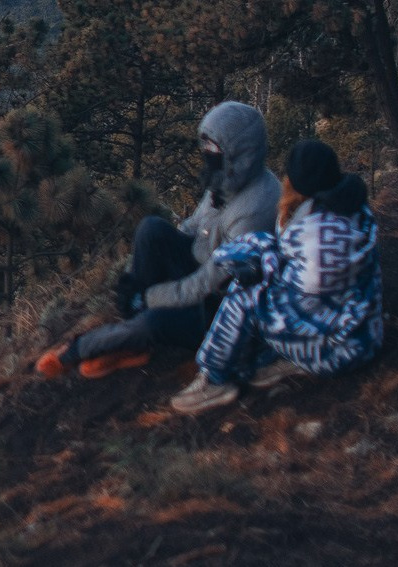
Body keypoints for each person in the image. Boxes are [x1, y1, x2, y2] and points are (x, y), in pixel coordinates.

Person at [37, 101, 280, 380]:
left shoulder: (254, 209)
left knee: (153, 321)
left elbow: (210, 284)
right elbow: (192, 226)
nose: (206, 152)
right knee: (151, 229)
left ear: (239, 152)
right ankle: (133, 340)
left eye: (212, 147)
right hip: (200, 270)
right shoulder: (228, 179)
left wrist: (149, 297)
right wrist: (139, 282)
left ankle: (79, 350)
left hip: (219, 308)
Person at [171, 137, 383, 415]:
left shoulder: (316, 235)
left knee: (245, 293)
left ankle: (216, 379)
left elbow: (299, 294)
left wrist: (254, 264)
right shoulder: (353, 209)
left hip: (341, 351)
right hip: (365, 332)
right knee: (256, 262)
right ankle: (278, 357)